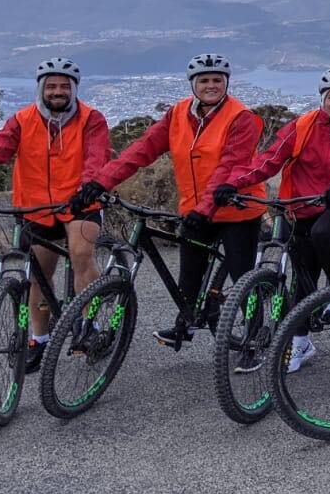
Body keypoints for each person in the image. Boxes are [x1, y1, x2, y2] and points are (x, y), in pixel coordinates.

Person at [69, 53, 267, 348]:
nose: (211, 85)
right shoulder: (178, 115)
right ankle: (184, 325)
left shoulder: (242, 118)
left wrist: (204, 208)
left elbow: (230, 166)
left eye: (217, 80)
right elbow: (142, 149)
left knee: (242, 279)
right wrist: (100, 182)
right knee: (188, 276)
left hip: (237, 211)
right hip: (196, 210)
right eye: (204, 81)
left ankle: (255, 339)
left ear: (226, 83)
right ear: (193, 84)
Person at [0, 58, 111, 370]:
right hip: (37, 207)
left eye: (64, 86)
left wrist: (88, 188)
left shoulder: (91, 119)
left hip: (79, 205)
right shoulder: (22, 120)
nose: (57, 91)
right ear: (41, 89)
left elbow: (95, 158)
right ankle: (41, 338)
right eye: (51, 86)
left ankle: (91, 326)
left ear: (73, 89)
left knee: (81, 253)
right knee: (38, 275)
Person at [215, 67, 330, 373]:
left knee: (322, 234)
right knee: (301, 280)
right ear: (323, 98)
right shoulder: (302, 125)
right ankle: (301, 344)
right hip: (303, 204)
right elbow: (270, 159)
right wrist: (234, 183)